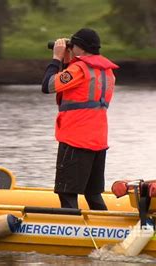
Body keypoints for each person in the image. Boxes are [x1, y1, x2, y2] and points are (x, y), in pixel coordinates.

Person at [41, 28, 119, 210]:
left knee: (67, 191)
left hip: (76, 139)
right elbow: (74, 89)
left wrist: (57, 59)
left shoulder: (80, 69)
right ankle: (107, 228)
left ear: (81, 48)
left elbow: (48, 86)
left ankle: (71, 231)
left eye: (72, 45)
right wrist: (69, 61)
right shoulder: (106, 72)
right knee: (93, 192)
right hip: (98, 139)